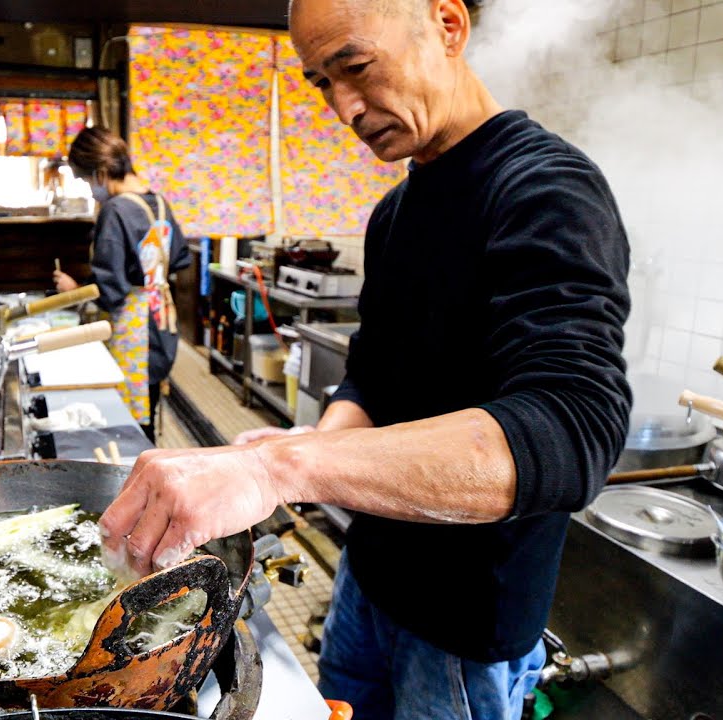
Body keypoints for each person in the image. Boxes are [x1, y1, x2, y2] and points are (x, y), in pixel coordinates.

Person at [98, 1, 633, 718]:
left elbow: (569, 432)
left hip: (464, 628)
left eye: (355, 66)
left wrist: (281, 466)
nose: (344, 107)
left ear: (447, 25)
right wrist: (308, 447)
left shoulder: (546, 191)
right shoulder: (395, 213)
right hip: (368, 580)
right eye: (322, 83)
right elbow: (374, 377)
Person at [54, 127, 191, 441]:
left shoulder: (115, 209)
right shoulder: (157, 202)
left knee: (126, 422)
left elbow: (111, 289)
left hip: (133, 327)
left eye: (87, 182)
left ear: (101, 174)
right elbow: (180, 257)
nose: (90, 191)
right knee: (149, 403)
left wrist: (75, 290)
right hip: (161, 319)